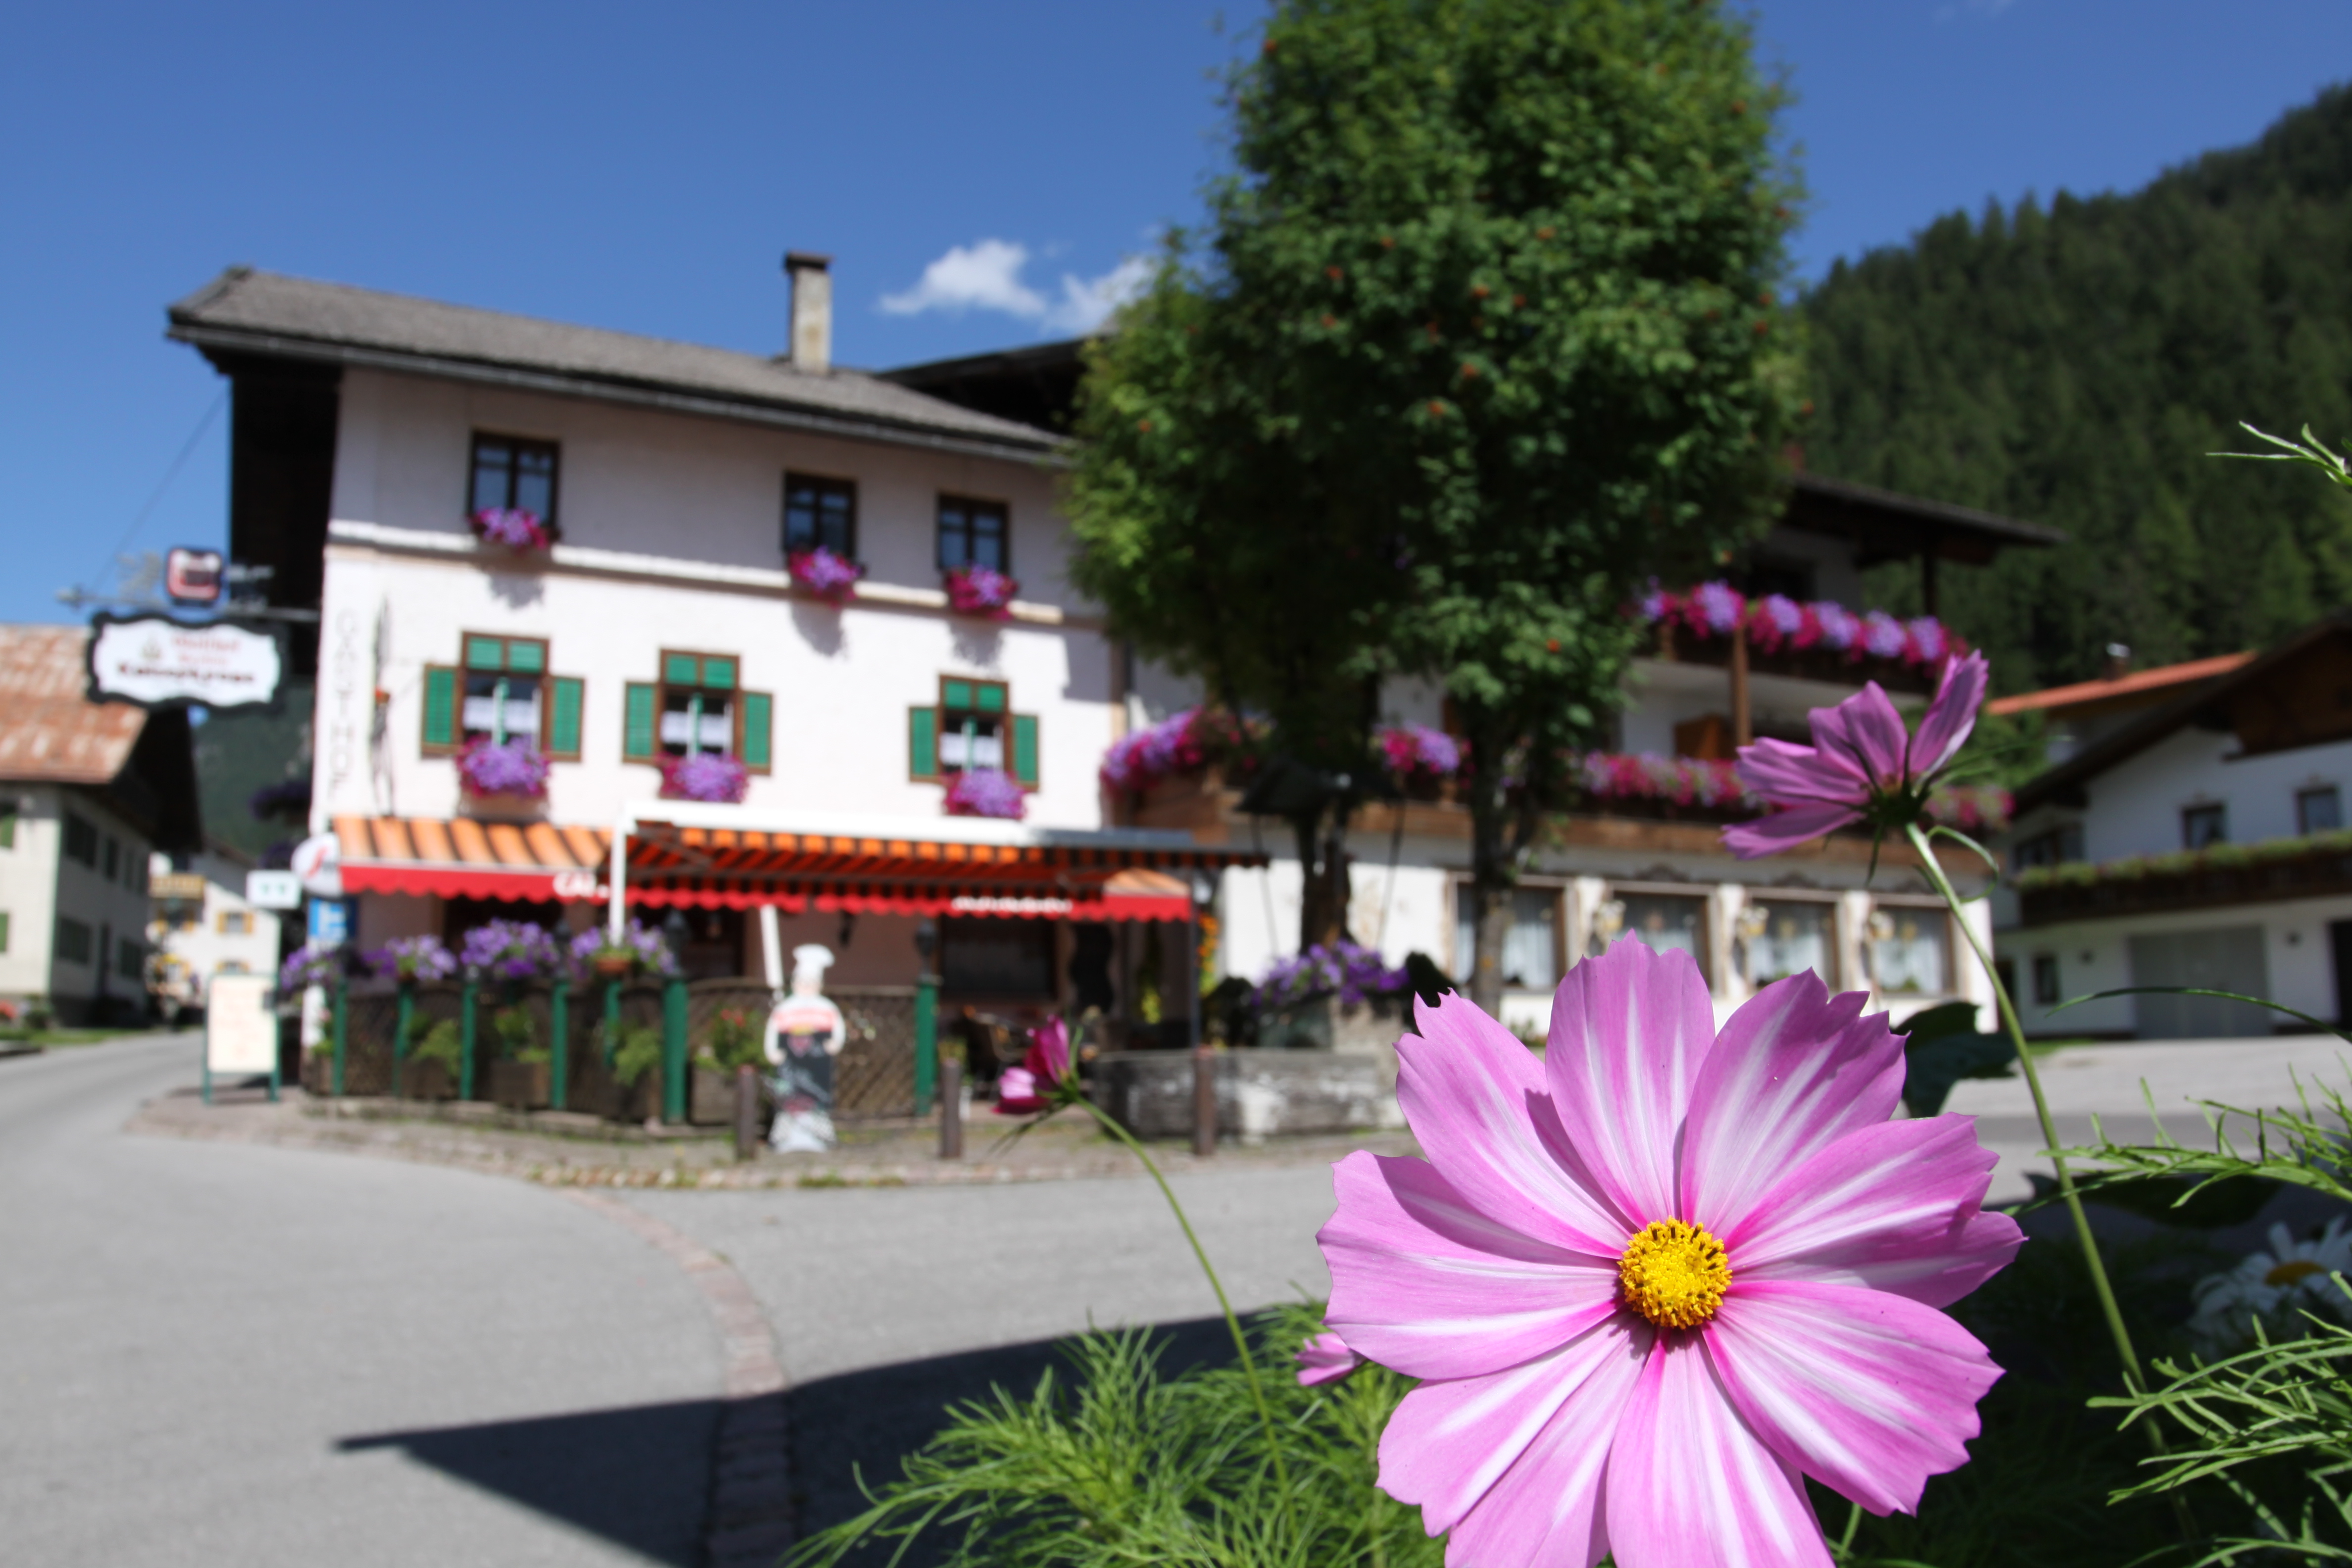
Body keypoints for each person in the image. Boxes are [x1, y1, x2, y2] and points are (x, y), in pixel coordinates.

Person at [766, 944, 845, 1151]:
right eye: (802, 982)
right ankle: (782, 1137)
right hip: (789, 1066)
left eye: (811, 982)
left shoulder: (826, 1008)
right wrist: (772, 1051)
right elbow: (774, 1029)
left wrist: (834, 1044)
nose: (806, 986)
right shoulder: (786, 1008)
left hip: (818, 1066)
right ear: (794, 983)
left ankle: (822, 1135)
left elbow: (837, 1029)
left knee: (818, 1101)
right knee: (787, 1100)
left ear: (819, 984)